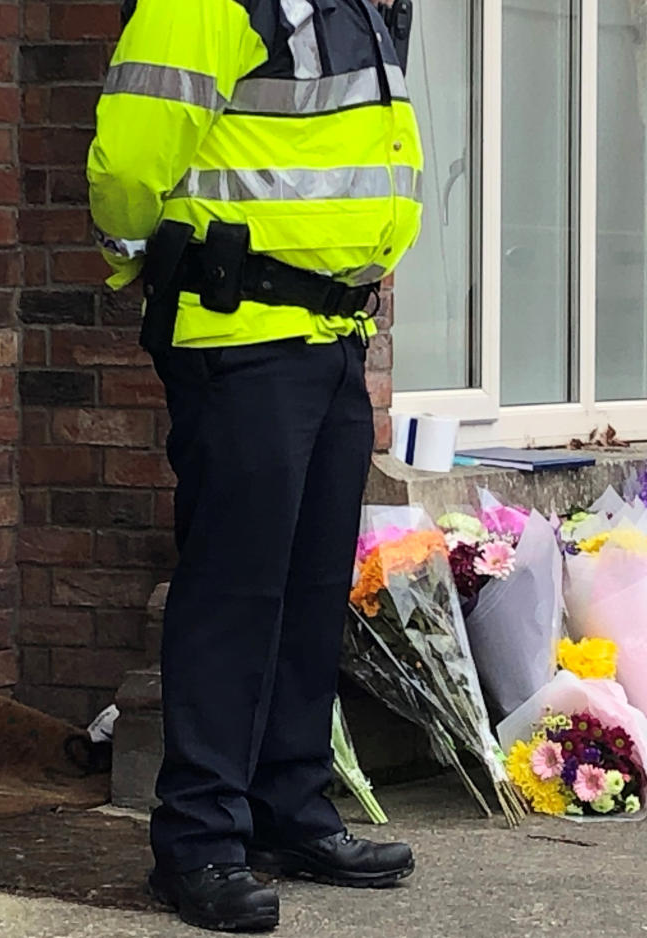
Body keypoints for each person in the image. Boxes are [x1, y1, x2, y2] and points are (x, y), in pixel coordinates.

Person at [87, 0, 420, 931]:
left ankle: (289, 811)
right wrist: (144, 259)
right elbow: (127, 163)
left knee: (311, 592)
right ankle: (197, 843)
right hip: (242, 336)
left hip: (332, 332)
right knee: (234, 593)